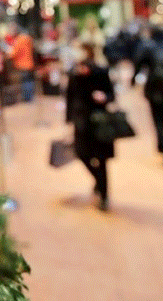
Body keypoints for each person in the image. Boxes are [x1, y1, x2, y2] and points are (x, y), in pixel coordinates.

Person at [65, 43, 115, 211]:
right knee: (81, 153)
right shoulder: (74, 73)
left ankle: (104, 194)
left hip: (99, 121)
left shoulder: (100, 72)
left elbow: (111, 94)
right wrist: (69, 120)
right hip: (81, 122)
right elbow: (70, 97)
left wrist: (104, 97)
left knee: (101, 159)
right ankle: (98, 181)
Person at [133, 26, 163, 167]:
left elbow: (139, 64)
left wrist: (133, 79)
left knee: (157, 118)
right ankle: (162, 144)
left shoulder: (148, 47)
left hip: (155, 87)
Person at [9, 25, 36, 103]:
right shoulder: (28, 38)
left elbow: (14, 53)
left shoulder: (19, 40)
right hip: (30, 63)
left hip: (22, 64)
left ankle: (27, 98)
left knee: (25, 81)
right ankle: (30, 98)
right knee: (29, 80)